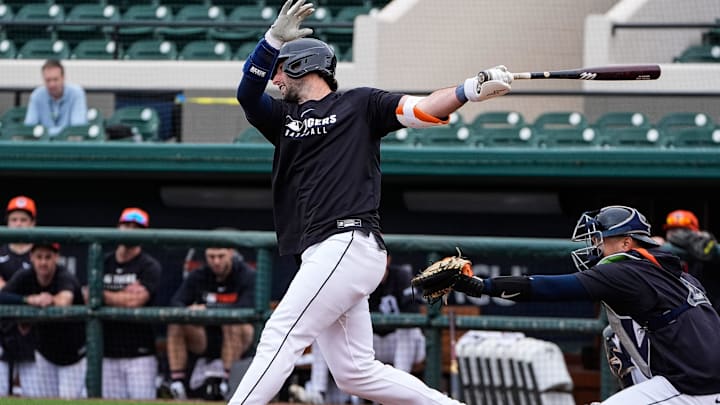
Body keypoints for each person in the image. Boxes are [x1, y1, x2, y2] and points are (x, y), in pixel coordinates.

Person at [228, 0, 511, 402]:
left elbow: (422, 107)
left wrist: (468, 90)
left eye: (279, 68)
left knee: (281, 333)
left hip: (346, 241)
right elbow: (247, 92)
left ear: (299, 66)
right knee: (355, 374)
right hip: (321, 253)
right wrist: (271, 41)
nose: (274, 78)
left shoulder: (360, 104)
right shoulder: (283, 120)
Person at [434, 205, 720, 404]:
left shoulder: (625, 270)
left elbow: (550, 288)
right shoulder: (673, 273)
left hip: (695, 387)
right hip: (700, 377)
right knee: (615, 337)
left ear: (626, 243)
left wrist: (481, 286)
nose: (595, 246)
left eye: (600, 239)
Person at [294, 256, 427, 404]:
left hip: (401, 346)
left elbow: (412, 312)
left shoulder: (402, 275)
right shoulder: (360, 279)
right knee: (323, 330)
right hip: (371, 345)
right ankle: (317, 392)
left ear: (388, 260)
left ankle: (401, 393)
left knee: (408, 329)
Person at [167, 246, 255, 400]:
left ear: (231, 254)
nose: (216, 261)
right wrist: (190, 310)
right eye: (211, 256)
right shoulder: (199, 275)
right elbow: (176, 303)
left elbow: (246, 307)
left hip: (239, 338)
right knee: (176, 323)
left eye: (221, 256)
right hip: (206, 337)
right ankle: (177, 384)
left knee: (231, 323)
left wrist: (208, 308)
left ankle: (226, 382)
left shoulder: (246, 274)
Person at [2, 243, 87, 399]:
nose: (43, 262)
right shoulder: (25, 275)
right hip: (45, 351)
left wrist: (48, 299)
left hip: (72, 354)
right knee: (41, 400)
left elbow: (65, 300)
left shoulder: (64, 275)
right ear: (31, 258)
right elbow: (2, 296)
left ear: (56, 258)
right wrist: (27, 299)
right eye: (39, 257)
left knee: (68, 401)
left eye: (48, 257)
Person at [100, 207, 162, 400]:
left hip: (140, 356)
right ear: (118, 227)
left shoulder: (149, 265)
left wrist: (105, 295)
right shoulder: (104, 261)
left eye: (137, 227)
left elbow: (135, 301)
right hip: (107, 353)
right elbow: (88, 295)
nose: (130, 230)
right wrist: (122, 295)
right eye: (126, 225)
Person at [0, 196, 37, 397]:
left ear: (33, 223)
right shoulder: (1, 251)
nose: (19, 224)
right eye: (14, 219)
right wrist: (25, 297)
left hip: (32, 335)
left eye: (24, 219)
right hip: (2, 329)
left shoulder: (41, 254)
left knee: (36, 396)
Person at [654, 209, 720, 313]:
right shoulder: (660, 250)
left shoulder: (709, 248)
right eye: (673, 231)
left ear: (695, 232)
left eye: (683, 230)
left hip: (710, 310)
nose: (678, 235)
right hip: (677, 312)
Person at [24, 59, 87, 136]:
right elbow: (29, 127)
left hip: (69, 144)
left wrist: (45, 132)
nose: (52, 84)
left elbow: (77, 128)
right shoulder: (36, 95)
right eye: (48, 80)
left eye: (55, 79)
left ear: (63, 78)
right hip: (43, 144)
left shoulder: (76, 93)